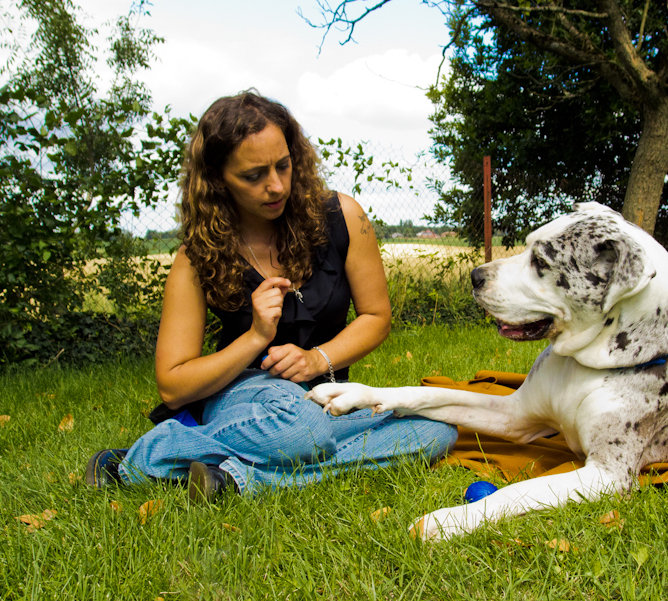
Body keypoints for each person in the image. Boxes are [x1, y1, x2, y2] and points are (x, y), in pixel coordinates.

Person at [85, 91, 458, 502]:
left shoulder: (344, 217)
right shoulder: (196, 258)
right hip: (246, 393)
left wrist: (319, 359)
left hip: (325, 396)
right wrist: (256, 337)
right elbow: (173, 386)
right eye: (253, 175)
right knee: (303, 429)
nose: (276, 185)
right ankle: (150, 454)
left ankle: (235, 478)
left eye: (283, 165)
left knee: (436, 430)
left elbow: (376, 316)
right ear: (217, 179)